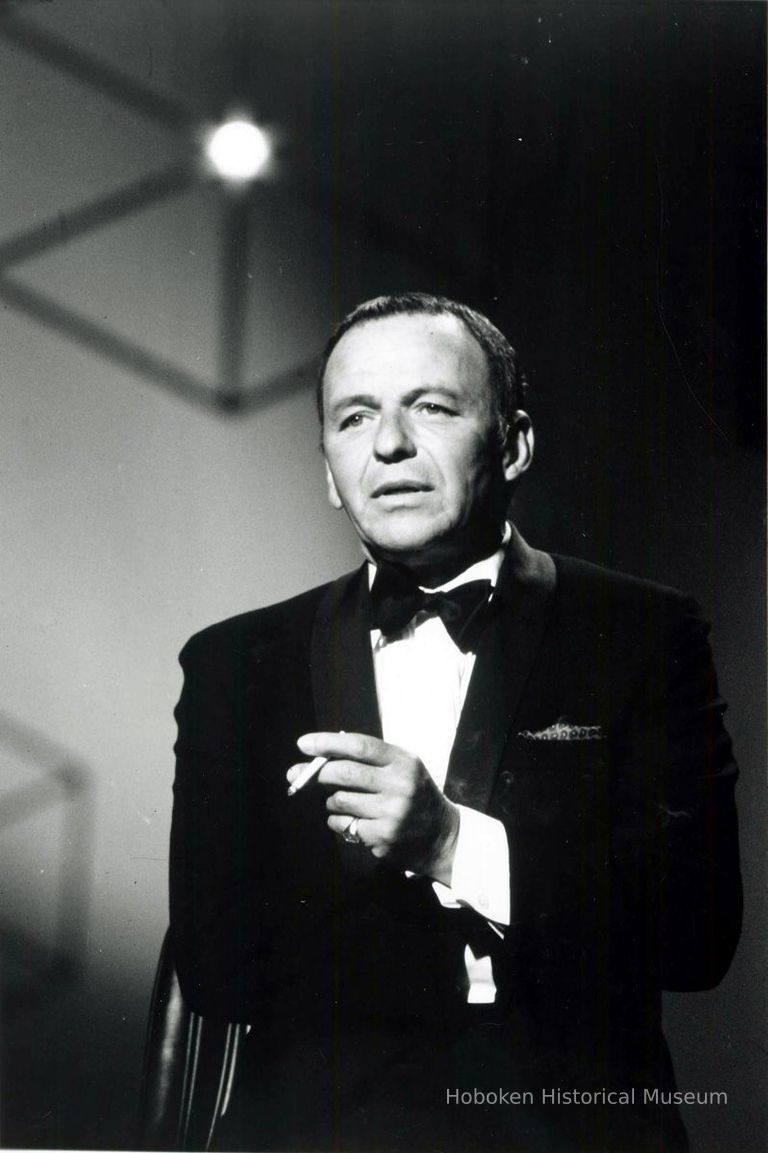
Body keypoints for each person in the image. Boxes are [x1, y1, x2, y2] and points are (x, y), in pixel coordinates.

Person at [169, 293, 741, 1152]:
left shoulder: (644, 632)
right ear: (329, 468)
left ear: (513, 444)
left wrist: (450, 843)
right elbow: (215, 968)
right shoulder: (233, 663)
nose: (389, 444)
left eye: (430, 407)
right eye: (355, 417)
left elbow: (698, 932)